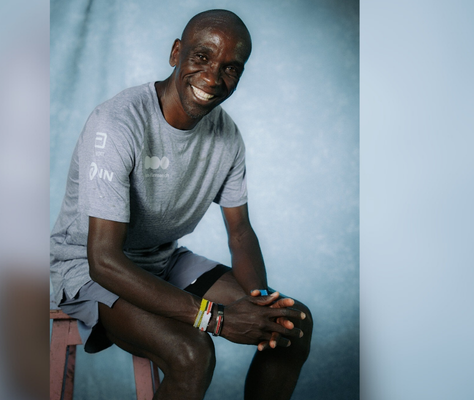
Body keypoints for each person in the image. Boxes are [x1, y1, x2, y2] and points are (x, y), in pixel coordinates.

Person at [50, 9, 312, 400]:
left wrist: (259, 307)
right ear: (176, 53)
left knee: (291, 324)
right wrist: (217, 319)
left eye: (230, 68)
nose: (212, 78)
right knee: (192, 353)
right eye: (202, 57)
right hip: (86, 268)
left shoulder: (228, 137)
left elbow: (240, 233)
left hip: (162, 259)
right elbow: (103, 260)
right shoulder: (117, 124)